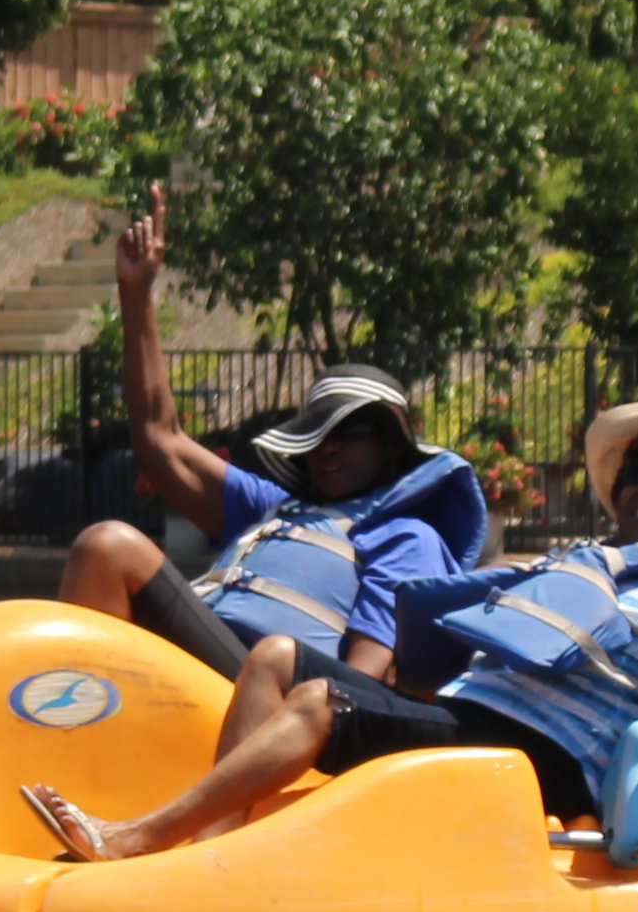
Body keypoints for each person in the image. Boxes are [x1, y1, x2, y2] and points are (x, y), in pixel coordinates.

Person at [28, 402, 638, 863]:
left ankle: (139, 838)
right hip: (472, 720)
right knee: (277, 658)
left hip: (546, 761)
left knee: (322, 699)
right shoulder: (584, 566)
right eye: (637, 471)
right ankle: (210, 855)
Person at [52, 181, 488, 696]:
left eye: (352, 430)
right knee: (99, 561)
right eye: (316, 434)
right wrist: (136, 291)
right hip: (194, 657)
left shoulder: (406, 537)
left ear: (392, 444)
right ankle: (62, 730)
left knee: (110, 547)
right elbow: (159, 440)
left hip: (264, 690)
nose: (329, 447)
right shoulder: (275, 507)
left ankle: (68, 728)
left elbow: (365, 683)